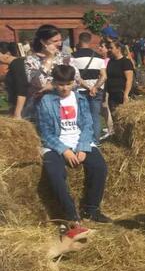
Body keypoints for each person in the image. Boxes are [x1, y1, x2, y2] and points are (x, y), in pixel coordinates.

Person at [35, 64, 109, 240]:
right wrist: (64, 150)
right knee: (54, 173)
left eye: (68, 84)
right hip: (55, 144)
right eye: (60, 84)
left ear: (74, 83)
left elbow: (87, 125)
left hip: (80, 141)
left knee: (100, 167)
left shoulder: (81, 99)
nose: (64, 88)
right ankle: (71, 217)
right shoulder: (46, 101)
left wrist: (83, 147)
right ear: (54, 83)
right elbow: (45, 132)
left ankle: (91, 209)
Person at [24, 24, 74, 120]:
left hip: (64, 106)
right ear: (43, 42)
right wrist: (49, 59)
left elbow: (76, 80)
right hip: (40, 108)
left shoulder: (65, 58)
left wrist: (53, 85)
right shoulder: (31, 60)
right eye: (55, 41)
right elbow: (38, 83)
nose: (60, 44)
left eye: (60, 40)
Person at [70, 32, 108, 135]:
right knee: (95, 116)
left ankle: (85, 140)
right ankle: (96, 141)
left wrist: (88, 87)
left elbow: (75, 77)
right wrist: (94, 87)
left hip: (81, 90)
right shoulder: (99, 57)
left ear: (79, 40)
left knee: (82, 116)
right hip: (97, 90)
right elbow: (104, 76)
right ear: (90, 41)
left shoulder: (72, 57)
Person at [104, 39, 135, 113]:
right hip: (112, 94)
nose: (109, 49)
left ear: (118, 49)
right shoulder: (110, 62)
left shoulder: (126, 62)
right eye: (108, 48)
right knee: (114, 117)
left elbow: (129, 80)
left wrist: (126, 94)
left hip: (122, 94)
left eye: (111, 48)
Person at [1, 41, 29, 118]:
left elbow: (22, 90)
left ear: (7, 54)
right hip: (15, 105)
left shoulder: (17, 64)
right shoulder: (15, 64)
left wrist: (18, 112)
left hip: (24, 108)